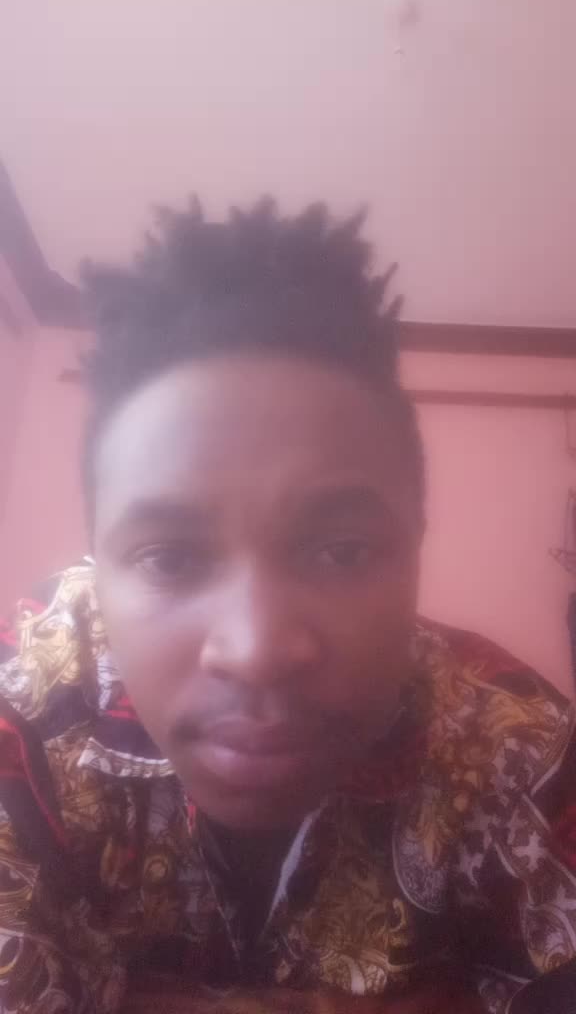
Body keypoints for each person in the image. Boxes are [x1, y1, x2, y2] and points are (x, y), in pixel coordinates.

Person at [0, 199, 574, 1014]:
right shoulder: (27, 714)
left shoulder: (517, 748)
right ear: (99, 561)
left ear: (415, 545)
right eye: (170, 557)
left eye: (340, 550)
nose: (259, 648)